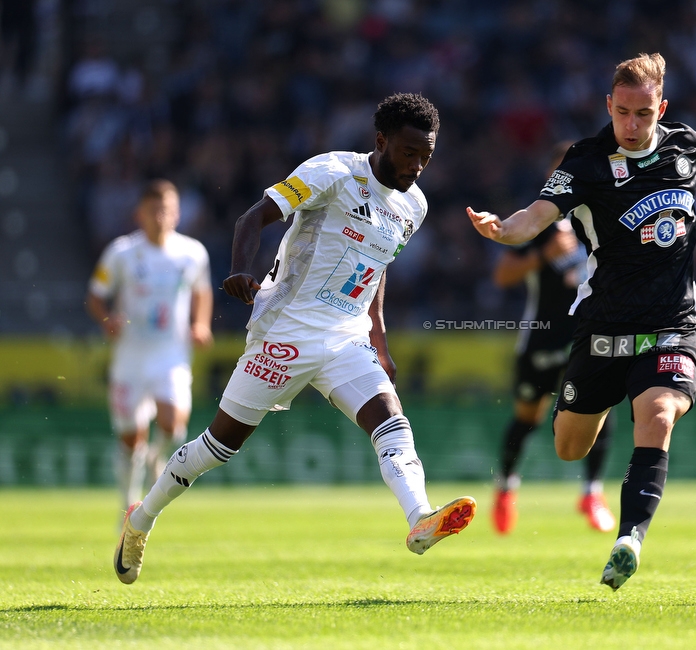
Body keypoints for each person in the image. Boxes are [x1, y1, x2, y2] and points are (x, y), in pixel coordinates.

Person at [467, 52, 696, 590]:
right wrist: (504, 230)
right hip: (601, 325)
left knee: (659, 416)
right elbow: (539, 214)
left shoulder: (685, 146)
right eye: (622, 112)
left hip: (672, 320)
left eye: (643, 114)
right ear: (609, 105)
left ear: (660, 108)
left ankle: (630, 539)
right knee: (568, 445)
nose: (632, 124)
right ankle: (586, 430)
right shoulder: (585, 160)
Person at [114, 93, 476, 585]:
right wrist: (242, 269)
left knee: (392, 422)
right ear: (381, 140)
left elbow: (376, 268)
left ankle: (419, 520)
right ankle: (142, 519)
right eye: (408, 153)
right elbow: (252, 218)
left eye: (426, 157)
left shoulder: (415, 205)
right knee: (218, 446)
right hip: (285, 329)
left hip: (346, 337)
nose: (416, 166)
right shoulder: (333, 173)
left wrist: (380, 340)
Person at [492, 142, 616, 535]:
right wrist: (543, 256)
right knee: (528, 417)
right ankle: (506, 489)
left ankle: (592, 493)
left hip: (589, 334)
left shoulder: (605, 217)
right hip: (543, 339)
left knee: (601, 408)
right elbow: (503, 275)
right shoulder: (540, 222)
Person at [87, 179, 213, 516]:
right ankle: (127, 502)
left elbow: (202, 291)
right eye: (155, 210)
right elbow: (96, 295)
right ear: (139, 214)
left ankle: (158, 456)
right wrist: (106, 319)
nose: (162, 216)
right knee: (130, 438)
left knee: (174, 426)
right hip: (130, 357)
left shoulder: (192, 252)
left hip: (171, 355)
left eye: (168, 210)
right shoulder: (122, 252)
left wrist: (200, 324)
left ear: (177, 214)